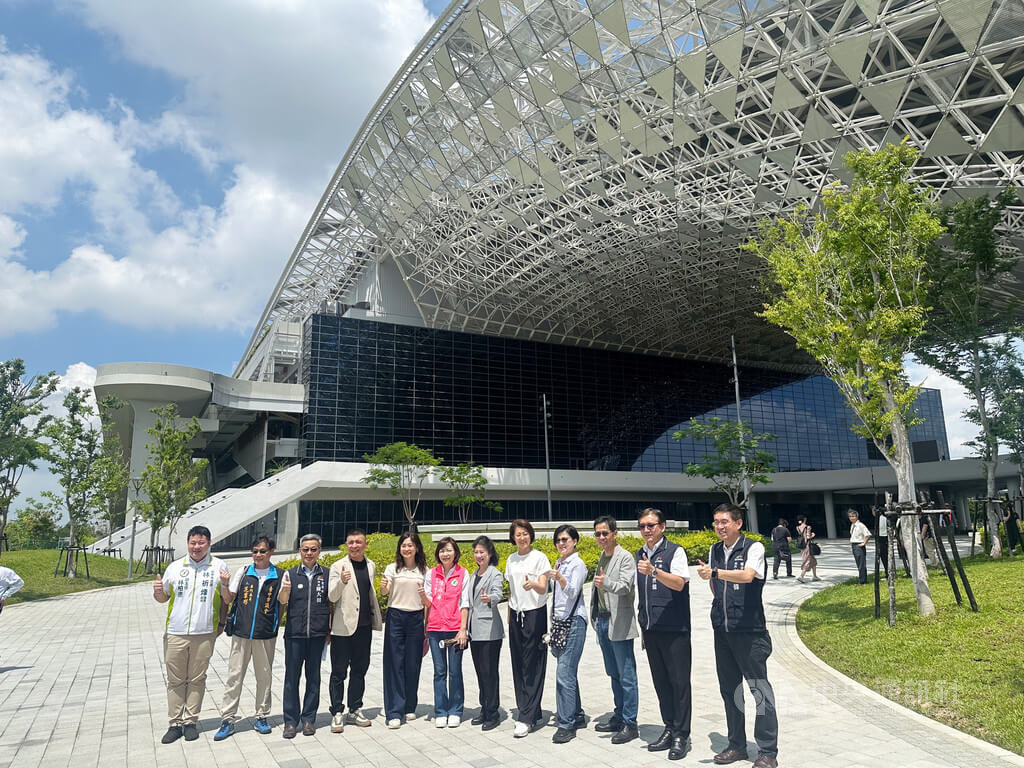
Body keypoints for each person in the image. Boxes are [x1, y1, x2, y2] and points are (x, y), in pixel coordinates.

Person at [697, 503, 779, 768]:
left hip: (750, 632)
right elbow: (715, 585)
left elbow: (747, 576)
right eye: (716, 522)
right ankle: (736, 745)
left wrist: (716, 572)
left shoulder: (753, 548)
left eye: (724, 521)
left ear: (738, 523)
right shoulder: (715, 550)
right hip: (723, 631)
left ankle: (767, 752)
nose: (720, 526)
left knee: (760, 691)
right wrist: (716, 582)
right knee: (729, 690)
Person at [153, 525, 230, 744]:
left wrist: (222, 622)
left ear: (209, 544)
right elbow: (163, 598)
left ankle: (190, 722)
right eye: (193, 543)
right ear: (188, 544)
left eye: (201, 543)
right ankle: (175, 723)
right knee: (175, 680)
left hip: (204, 633)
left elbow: (227, 599)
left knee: (197, 679)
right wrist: (157, 591)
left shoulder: (219, 566)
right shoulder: (175, 567)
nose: (196, 547)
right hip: (176, 632)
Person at [214, 535, 284, 740]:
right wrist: (225, 585)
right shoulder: (244, 572)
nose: (258, 555)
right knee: (234, 676)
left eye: (262, 551)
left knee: (264, 677)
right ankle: (228, 718)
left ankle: (261, 716)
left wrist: (274, 625)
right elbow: (228, 599)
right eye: (255, 551)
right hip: (241, 633)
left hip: (265, 635)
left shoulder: (280, 575)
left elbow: (282, 604)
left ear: (271, 552)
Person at [635, 507, 691, 761]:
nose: (647, 530)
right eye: (642, 526)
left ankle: (681, 735)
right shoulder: (640, 553)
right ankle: (669, 727)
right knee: (661, 683)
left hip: (674, 628)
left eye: (651, 525)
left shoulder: (674, 551)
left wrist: (654, 571)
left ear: (663, 526)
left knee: (679, 683)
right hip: (651, 628)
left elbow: (679, 583)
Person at [328, 528, 383, 732]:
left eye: (358, 542)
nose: (354, 546)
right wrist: (341, 582)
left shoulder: (371, 565)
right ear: (346, 545)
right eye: (350, 542)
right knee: (339, 672)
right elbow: (332, 596)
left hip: (364, 627)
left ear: (366, 544)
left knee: (360, 670)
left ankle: (354, 709)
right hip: (342, 628)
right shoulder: (337, 566)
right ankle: (337, 711)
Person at [590, 515, 639, 745]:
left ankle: (630, 723)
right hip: (602, 621)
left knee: (626, 675)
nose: (601, 537)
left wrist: (606, 583)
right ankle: (619, 715)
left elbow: (626, 586)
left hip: (619, 622)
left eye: (605, 533)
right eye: (597, 534)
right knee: (614, 673)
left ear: (615, 533)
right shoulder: (603, 555)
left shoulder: (625, 557)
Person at [279, 533, 332, 738]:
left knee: (314, 678)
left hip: (318, 635)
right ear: (300, 551)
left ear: (319, 551)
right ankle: (290, 721)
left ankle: (309, 719)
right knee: (291, 678)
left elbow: (331, 604)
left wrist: (329, 630)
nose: (309, 553)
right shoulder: (290, 574)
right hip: (295, 634)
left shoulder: (326, 574)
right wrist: (285, 591)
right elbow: (282, 601)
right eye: (305, 549)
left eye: (313, 549)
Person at [504, 518, 550, 738]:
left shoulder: (539, 558)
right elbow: (511, 591)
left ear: (531, 535)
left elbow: (543, 588)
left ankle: (526, 717)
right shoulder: (511, 559)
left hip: (535, 614)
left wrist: (533, 584)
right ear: (513, 538)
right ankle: (530, 709)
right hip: (516, 615)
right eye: (518, 534)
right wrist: (509, 616)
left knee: (533, 663)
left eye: (525, 533)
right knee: (518, 663)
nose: (522, 537)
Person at [380, 531, 428, 729]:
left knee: (412, 663)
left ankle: (409, 705)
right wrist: (383, 586)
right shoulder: (392, 568)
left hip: (416, 618)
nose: (407, 549)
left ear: (417, 548)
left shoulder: (425, 571)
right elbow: (384, 591)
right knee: (394, 663)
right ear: (399, 548)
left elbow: (428, 601)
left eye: (410, 545)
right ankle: (394, 711)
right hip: (396, 617)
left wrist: (426, 625)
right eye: (404, 545)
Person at [547, 524, 588, 744]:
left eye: (565, 539)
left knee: (564, 673)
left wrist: (561, 578)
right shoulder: (559, 563)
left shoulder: (577, 564)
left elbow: (572, 592)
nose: (561, 543)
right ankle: (577, 714)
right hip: (560, 622)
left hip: (574, 622)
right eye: (558, 540)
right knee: (567, 671)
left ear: (575, 541)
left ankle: (566, 724)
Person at [425, 536, 469, 728]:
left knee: (455, 671)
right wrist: (425, 626)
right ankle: (441, 711)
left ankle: (456, 710)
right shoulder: (431, 573)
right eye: (442, 550)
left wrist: (462, 629)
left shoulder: (462, 573)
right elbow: (428, 602)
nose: (445, 554)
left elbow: (465, 603)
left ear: (455, 552)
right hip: (435, 629)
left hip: (454, 629)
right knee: (439, 672)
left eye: (449, 550)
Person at [464, 535, 504, 730]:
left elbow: (498, 593)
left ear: (490, 554)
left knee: (489, 672)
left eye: (482, 552)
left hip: (490, 631)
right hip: (474, 630)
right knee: (480, 672)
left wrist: (491, 599)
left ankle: (493, 713)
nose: (478, 555)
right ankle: (484, 707)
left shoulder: (495, 573)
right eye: (476, 552)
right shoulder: (474, 574)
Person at [848, 510, 871, 585]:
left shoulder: (860, 525)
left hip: (859, 545)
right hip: (854, 545)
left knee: (861, 564)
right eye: (850, 516)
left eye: (853, 516)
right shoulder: (853, 525)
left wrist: (864, 543)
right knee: (859, 564)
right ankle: (862, 579)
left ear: (857, 517)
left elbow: (868, 534)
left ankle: (863, 581)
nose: (851, 518)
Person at [795, 515, 819, 583]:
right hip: (807, 546)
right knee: (807, 560)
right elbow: (808, 537)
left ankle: (815, 576)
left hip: (802, 546)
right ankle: (801, 576)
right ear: (804, 519)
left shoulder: (797, 527)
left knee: (813, 561)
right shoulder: (808, 527)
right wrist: (813, 535)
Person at [872, 507, 890, 577]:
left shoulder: (880, 519)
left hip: (882, 538)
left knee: (884, 556)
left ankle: (887, 572)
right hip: (884, 538)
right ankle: (887, 572)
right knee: (884, 556)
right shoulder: (884, 518)